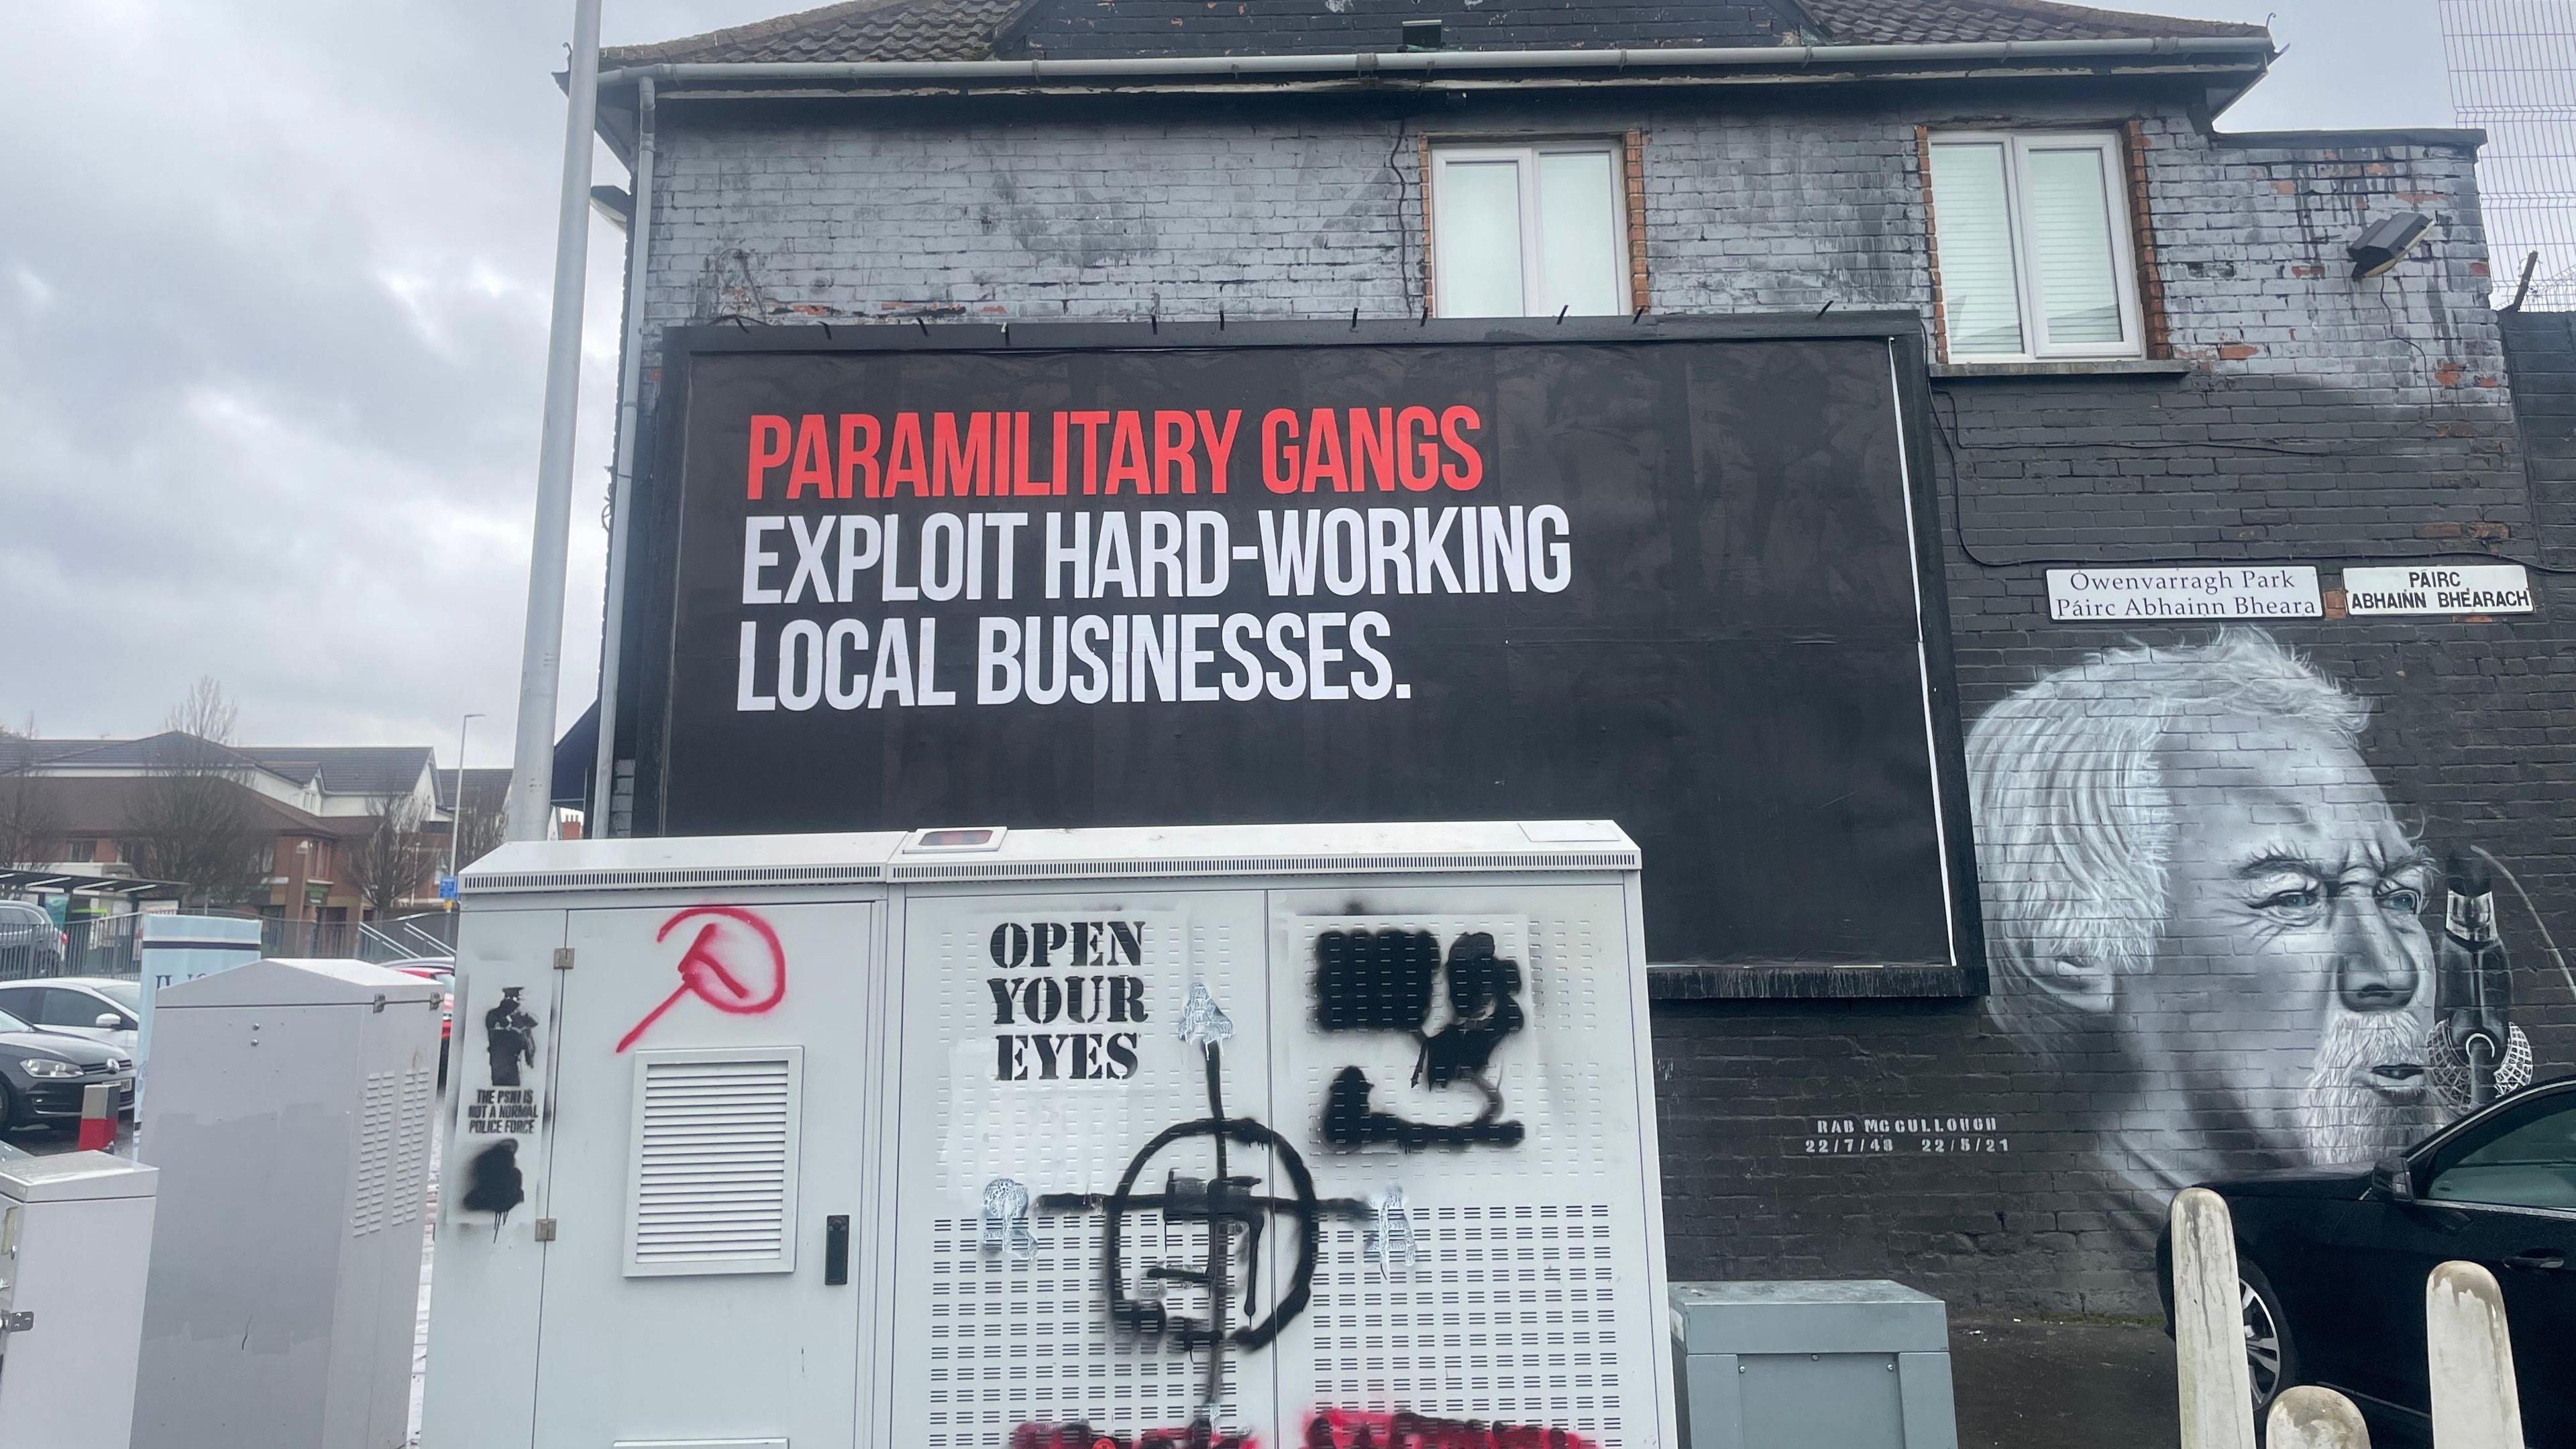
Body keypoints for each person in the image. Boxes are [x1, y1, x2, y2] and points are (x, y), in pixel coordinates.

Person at [1968, 629, 2450, 1204]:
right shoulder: (2068, 1267)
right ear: (2073, 950)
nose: (2396, 974)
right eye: (2293, 898)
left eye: (2399, 897)